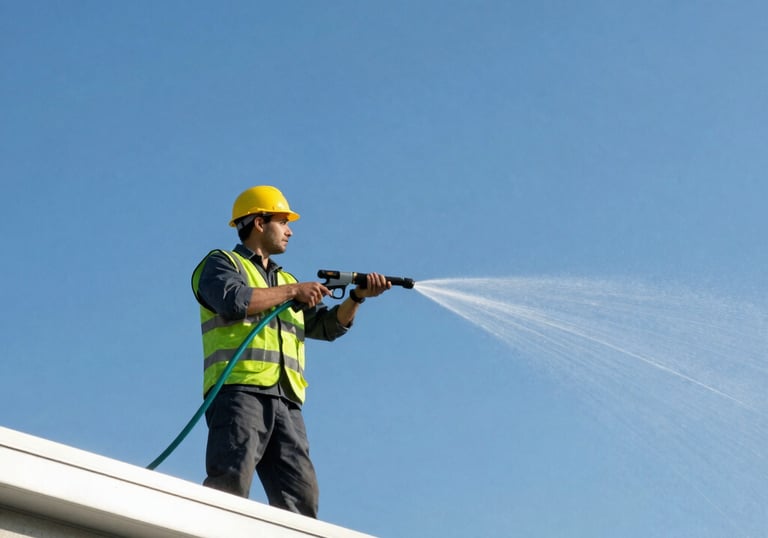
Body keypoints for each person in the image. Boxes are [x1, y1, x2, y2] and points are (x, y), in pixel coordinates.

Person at [191, 185, 390, 518]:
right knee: (230, 484)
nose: (290, 230)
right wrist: (294, 290)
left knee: (301, 497)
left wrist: (356, 299)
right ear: (258, 222)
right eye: (283, 221)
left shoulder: (286, 280)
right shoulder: (221, 264)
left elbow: (325, 327)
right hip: (240, 392)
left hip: (286, 401)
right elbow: (234, 302)